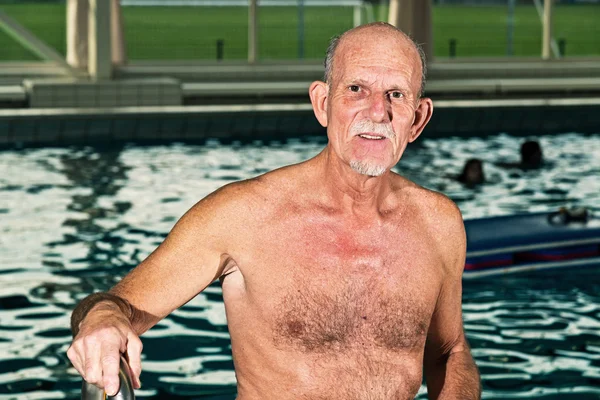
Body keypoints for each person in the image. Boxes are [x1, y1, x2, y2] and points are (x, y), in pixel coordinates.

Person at [67, 22, 481, 400]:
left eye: (396, 94)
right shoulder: (244, 215)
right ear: (322, 103)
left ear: (418, 118)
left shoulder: (438, 223)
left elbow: (449, 351)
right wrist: (102, 320)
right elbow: (113, 304)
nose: (377, 112)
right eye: (356, 89)